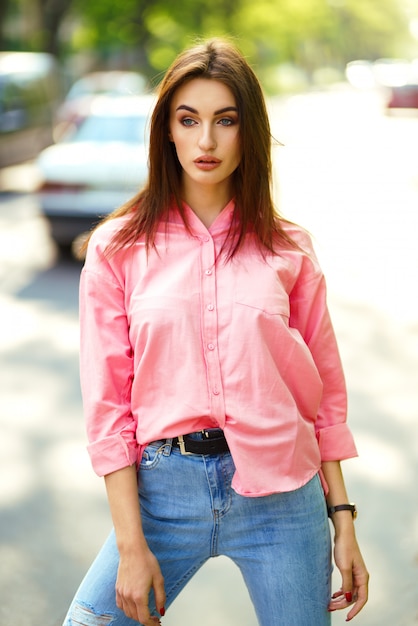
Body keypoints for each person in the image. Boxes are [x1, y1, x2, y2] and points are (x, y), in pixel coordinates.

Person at [63, 38, 369, 626]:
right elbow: (107, 408)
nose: (206, 141)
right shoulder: (117, 248)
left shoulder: (290, 249)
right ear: (167, 132)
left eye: (225, 121)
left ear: (247, 131)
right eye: (189, 119)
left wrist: (344, 520)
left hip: (283, 497)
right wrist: (131, 546)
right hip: (162, 493)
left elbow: (323, 399)